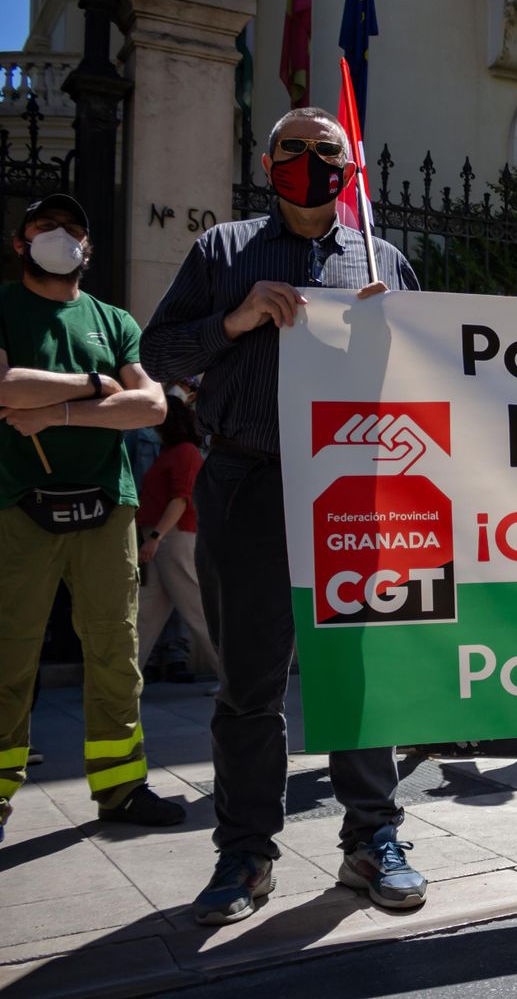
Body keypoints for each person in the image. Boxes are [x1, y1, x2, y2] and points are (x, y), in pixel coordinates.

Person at [142, 107, 429, 924]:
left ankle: (372, 840)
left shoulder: (386, 262)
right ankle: (245, 856)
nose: (310, 160)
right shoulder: (222, 253)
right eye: (294, 149)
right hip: (246, 483)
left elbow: (426, 383)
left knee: (360, 673)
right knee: (250, 684)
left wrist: (390, 335)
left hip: (352, 491)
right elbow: (158, 355)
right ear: (268, 163)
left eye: (325, 149)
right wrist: (232, 322)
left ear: (352, 168)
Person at [0, 192, 187, 843]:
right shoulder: (5, 306)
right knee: (9, 654)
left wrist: (59, 412)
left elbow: (154, 407)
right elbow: (5, 390)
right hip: (17, 503)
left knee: (115, 653)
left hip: (107, 503)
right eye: (44, 227)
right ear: (21, 243)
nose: (60, 236)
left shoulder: (114, 321)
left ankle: (121, 789)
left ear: (88, 246)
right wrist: (95, 385)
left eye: (72, 228)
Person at [135, 392, 216, 679]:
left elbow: (181, 498)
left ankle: (234, 681)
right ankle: (124, 682)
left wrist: (155, 536)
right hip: (163, 537)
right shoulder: (174, 452)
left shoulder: (183, 452)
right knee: (146, 615)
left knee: (198, 610)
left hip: (172, 537)